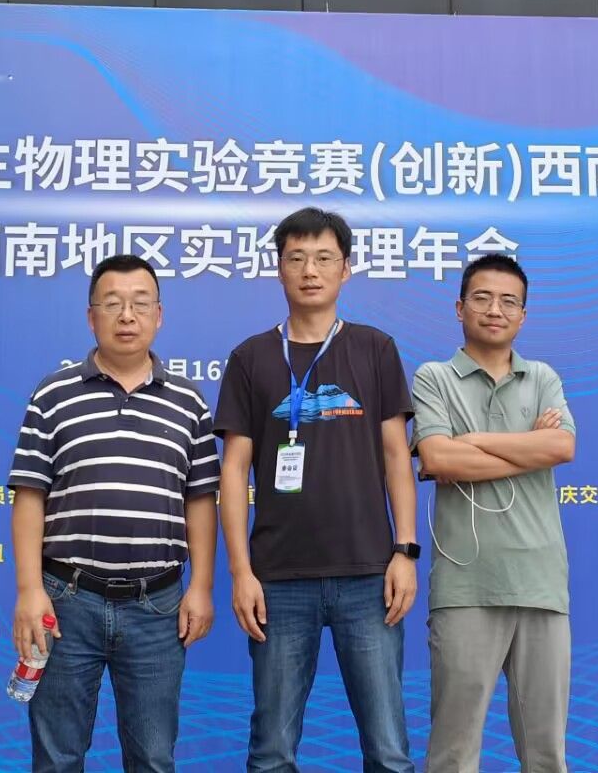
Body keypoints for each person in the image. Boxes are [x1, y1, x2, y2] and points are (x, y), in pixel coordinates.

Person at [216, 207, 420, 773]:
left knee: (389, 751)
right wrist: (240, 572)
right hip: (278, 581)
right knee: (271, 753)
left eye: (324, 258)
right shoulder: (251, 357)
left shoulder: (374, 349)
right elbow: (233, 471)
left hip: (368, 576)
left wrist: (404, 552)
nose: (310, 270)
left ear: (345, 269)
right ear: (279, 268)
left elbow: (396, 457)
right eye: (297, 258)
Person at [7, 254, 220, 773]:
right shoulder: (53, 395)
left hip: (158, 606)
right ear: (91, 317)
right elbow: (30, 494)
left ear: (159, 315)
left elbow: (200, 501)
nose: (127, 316)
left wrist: (200, 587)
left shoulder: (189, 403)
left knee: (152, 758)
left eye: (140, 304)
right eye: (113, 304)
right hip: (66, 602)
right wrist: (29, 590)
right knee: (58, 758)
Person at [411, 254, 577, 773]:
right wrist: (529, 447)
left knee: (546, 754)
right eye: (481, 298)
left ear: (523, 315)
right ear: (459, 307)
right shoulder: (435, 377)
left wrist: (472, 441)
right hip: (466, 587)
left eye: (509, 301)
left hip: (540, 582)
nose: (494, 310)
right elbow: (438, 459)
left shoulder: (542, 376)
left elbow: (562, 447)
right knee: (454, 754)